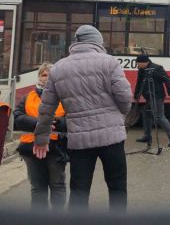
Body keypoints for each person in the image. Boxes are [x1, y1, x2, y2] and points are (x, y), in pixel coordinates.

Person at [33, 25, 133, 211]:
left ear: (76, 43)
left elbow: (46, 109)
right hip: (112, 139)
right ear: (97, 42)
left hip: (79, 141)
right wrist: (118, 117)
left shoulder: (58, 68)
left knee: (79, 190)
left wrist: (41, 138)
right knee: (117, 186)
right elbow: (126, 98)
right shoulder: (110, 62)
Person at [14, 63, 67, 209]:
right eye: (44, 75)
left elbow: (72, 120)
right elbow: (17, 119)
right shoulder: (28, 97)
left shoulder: (64, 97)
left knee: (57, 185)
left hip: (56, 148)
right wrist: (38, 123)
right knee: (37, 187)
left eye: (50, 75)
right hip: (30, 148)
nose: (47, 78)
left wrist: (55, 122)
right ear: (38, 77)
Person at [133, 54, 170, 148]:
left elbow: (167, 79)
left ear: (144, 62)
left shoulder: (157, 68)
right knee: (146, 114)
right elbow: (139, 82)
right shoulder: (141, 70)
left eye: (138, 63)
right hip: (148, 97)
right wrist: (136, 95)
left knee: (159, 116)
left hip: (157, 96)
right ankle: (147, 136)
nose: (137, 65)